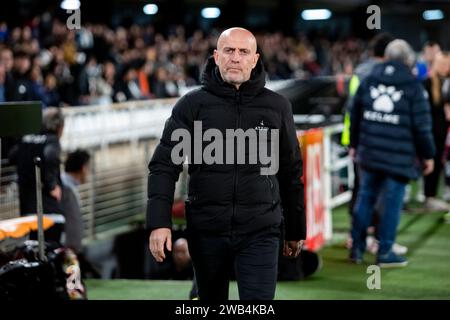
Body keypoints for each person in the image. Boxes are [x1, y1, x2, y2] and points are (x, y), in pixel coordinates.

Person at [147, 27, 306, 300]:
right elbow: (164, 166)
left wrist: (295, 228)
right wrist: (159, 223)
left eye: (243, 52)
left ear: (255, 59)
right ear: (216, 56)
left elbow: (290, 172)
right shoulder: (191, 106)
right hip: (206, 231)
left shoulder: (278, 107)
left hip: (261, 230)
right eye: (229, 51)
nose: (236, 58)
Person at [349, 39, 436, 267]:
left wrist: (354, 144)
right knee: (391, 203)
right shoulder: (413, 86)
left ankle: (357, 249)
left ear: (386, 57)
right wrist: (428, 155)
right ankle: (385, 251)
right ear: (408, 60)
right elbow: (422, 126)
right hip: (399, 156)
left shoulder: (369, 79)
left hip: (369, 153)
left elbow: (355, 114)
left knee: (365, 198)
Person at [8, 107, 65, 242]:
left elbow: (12, 156)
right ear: (59, 127)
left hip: (27, 209)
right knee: (51, 252)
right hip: (49, 212)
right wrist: (52, 186)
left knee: (32, 249)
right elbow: (50, 156)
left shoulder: (26, 139)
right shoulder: (52, 141)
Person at [421, 52, 450, 211]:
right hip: (430, 132)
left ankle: (431, 195)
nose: (447, 67)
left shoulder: (444, 82)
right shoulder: (427, 84)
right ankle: (428, 196)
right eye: (444, 64)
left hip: (441, 132)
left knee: (438, 163)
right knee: (430, 162)